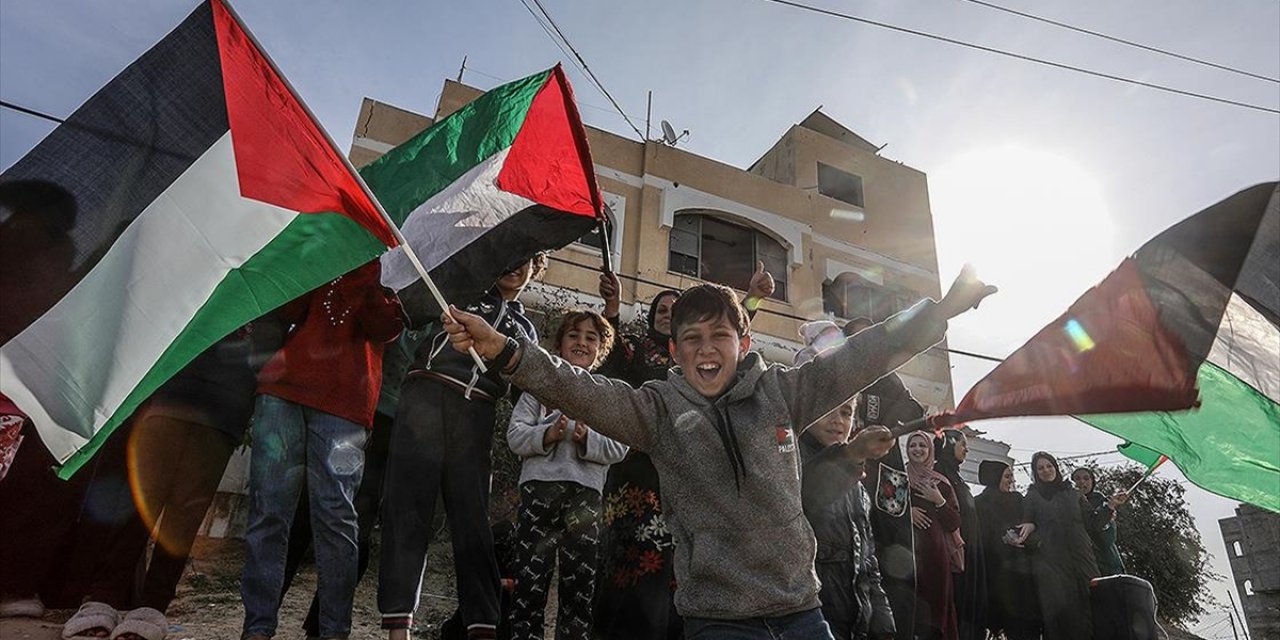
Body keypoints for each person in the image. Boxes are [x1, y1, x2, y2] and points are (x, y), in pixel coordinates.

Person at [441, 266, 995, 639]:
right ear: (675, 351)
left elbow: (861, 357)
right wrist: (507, 350)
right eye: (692, 339)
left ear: (744, 343)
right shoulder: (656, 410)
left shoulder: (784, 392)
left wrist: (940, 311)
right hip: (715, 620)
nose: (706, 350)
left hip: (803, 610)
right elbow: (580, 389)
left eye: (719, 336)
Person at [591, 264, 774, 640]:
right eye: (660, 309)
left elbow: (728, 335)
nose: (666, 314)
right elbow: (608, 371)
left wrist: (752, 296)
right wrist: (612, 305)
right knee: (627, 584)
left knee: (679, 582)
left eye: (674, 312)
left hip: (686, 480)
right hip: (635, 481)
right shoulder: (634, 350)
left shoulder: (697, 363)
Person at [378, 254, 545, 640]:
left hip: (475, 415)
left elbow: (527, 388)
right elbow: (410, 324)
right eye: (510, 255)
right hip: (424, 398)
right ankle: (398, 627)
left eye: (527, 260)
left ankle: (481, 625)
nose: (515, 264)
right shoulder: (459, 290)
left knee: (472, 521)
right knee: (407, 511)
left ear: (537, 268)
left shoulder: (525, 329)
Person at [240, 260, 404, 640]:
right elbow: (284, 304)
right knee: (269, 511)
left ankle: (333, 631)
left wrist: (368, 274)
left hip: (346, 404)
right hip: (282, 388)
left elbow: (387, 327)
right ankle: (257, 628)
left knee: (335, 516)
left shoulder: (394, 265)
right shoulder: (322, 241)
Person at [506, 310, 629, 640]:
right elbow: (516, 436)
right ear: (559, 345)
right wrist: (547, 435)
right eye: (574, 335)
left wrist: (585, 437)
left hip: (586, 498)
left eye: (591, 338)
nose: (582, 342)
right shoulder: (539, 387)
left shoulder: (607, 392)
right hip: (538, 492)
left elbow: (620, 446)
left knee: (579, 587)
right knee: (529, 583)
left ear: (600, 350)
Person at [845, 317, 922, 640]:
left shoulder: (888, 376)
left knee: (897, 556)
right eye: (857, 337)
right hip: (849, 472)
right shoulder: (840, 373)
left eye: (870, 335)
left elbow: (913, 408)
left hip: (889, 477)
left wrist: (874, 410)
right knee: (854, 547)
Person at [798, 399, 896, 640]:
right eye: (828, 409)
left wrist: (883, 623)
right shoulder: (788, 462)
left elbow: (867, 562)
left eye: (846, 412)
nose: (837, 421)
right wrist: (853, 454)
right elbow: (809, 493)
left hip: (853, 626)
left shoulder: (857, 484)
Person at [1012, 452, 1125, 640]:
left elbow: (1093, 523)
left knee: (1091, 613)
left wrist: (1111, 505)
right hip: (1053, 568)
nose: (1046, 471)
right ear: (1035, 472)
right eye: (1040, 468)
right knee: (1062, 620)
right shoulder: (1032, 497)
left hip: (1083, 563)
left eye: (1049, 466)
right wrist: (1039, 540)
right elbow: (1026, 530)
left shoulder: (1074, 494)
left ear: (1056, 467)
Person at [973, 461, 1040, 640]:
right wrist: (1002, 538)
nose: (1011, 480)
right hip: (995, 571)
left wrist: (1030, 528)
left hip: (1022, 569)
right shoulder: (979, 503)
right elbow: (978, 535)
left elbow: (1031, 520)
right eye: (1007, 476)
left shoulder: (1018, 499)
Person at [904, 431, 961, 640]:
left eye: (922, 446)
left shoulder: (942, 483)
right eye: (913, 445)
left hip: (936, 558)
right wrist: (906, 513)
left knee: (936, 615)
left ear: (930, 450)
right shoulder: (898, 478)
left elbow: (954, 522)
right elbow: (884, 510)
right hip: (905, 555)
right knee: (910, 613)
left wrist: (939, 500)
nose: (917, 449)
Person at [933, 430, 986, 640]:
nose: (966, 448)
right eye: (962, 444)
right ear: (949, 444)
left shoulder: (956, 476)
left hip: (970, 551)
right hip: (954, 556)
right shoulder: (939, 474)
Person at [1071, 466, 1127, 576]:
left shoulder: (1103, 503)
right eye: (1077, 478)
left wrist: (1107, 512)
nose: (1081, 481)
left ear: (1092, 482)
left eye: (1086, 478)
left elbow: (1107, 538)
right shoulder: (1067, 505)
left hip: (1106, 563)